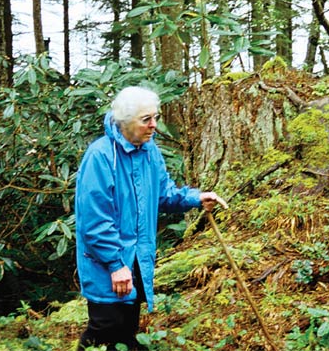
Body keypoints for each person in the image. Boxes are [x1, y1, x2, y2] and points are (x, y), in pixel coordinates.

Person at [75, 86, 227, 350]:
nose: (154, 125)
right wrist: (115, 265)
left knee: (126, 330)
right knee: (103, 333)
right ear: (125, 121)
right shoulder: (100, 157)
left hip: (136, 261)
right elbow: (94, 222)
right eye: (146, 119)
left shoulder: (149, 151)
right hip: (105, 265)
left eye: (155, 117)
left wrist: (196, 198)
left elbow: (163, 194)